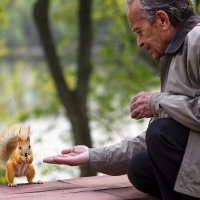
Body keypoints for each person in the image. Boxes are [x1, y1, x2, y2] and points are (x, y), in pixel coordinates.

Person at [43, 0, 200, 199]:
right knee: (140, 167)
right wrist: (93, 156)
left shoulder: (198, 39)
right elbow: (161, 136)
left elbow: (165, 134)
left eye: (139, 31)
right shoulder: (174, 53)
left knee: (161, 132)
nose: (139, 43)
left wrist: (158, 102)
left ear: (162, 20)